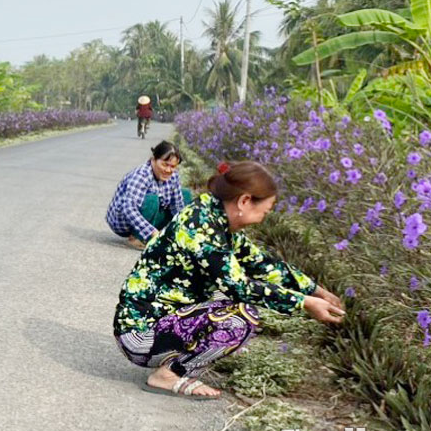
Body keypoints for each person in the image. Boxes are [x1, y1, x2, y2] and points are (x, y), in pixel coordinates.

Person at [113, 161, 346, 400]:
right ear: (244, 201)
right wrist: (304, 303)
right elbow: (240, 287)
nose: (262, 219)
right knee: (240, 317)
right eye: (264, 212)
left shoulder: (214, 218)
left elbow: (260, 263)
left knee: (232, 310)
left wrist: (317, 291)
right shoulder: (201, 230)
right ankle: (168, 375)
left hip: (160, 323)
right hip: (140, 335)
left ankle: (177, 361)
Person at [106, 140, 194, 249]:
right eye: (165, 165)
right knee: (152, 200)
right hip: (123, 222)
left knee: (185, 194)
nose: (168, 170)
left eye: (173, 166)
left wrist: (188, 232)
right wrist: (153, 233)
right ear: (153, 159)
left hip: (148, 217)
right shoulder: (141, 175)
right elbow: (129, 208)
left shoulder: (173, 176)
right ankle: (137, 237)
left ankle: (168, 236)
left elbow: (178, 207)